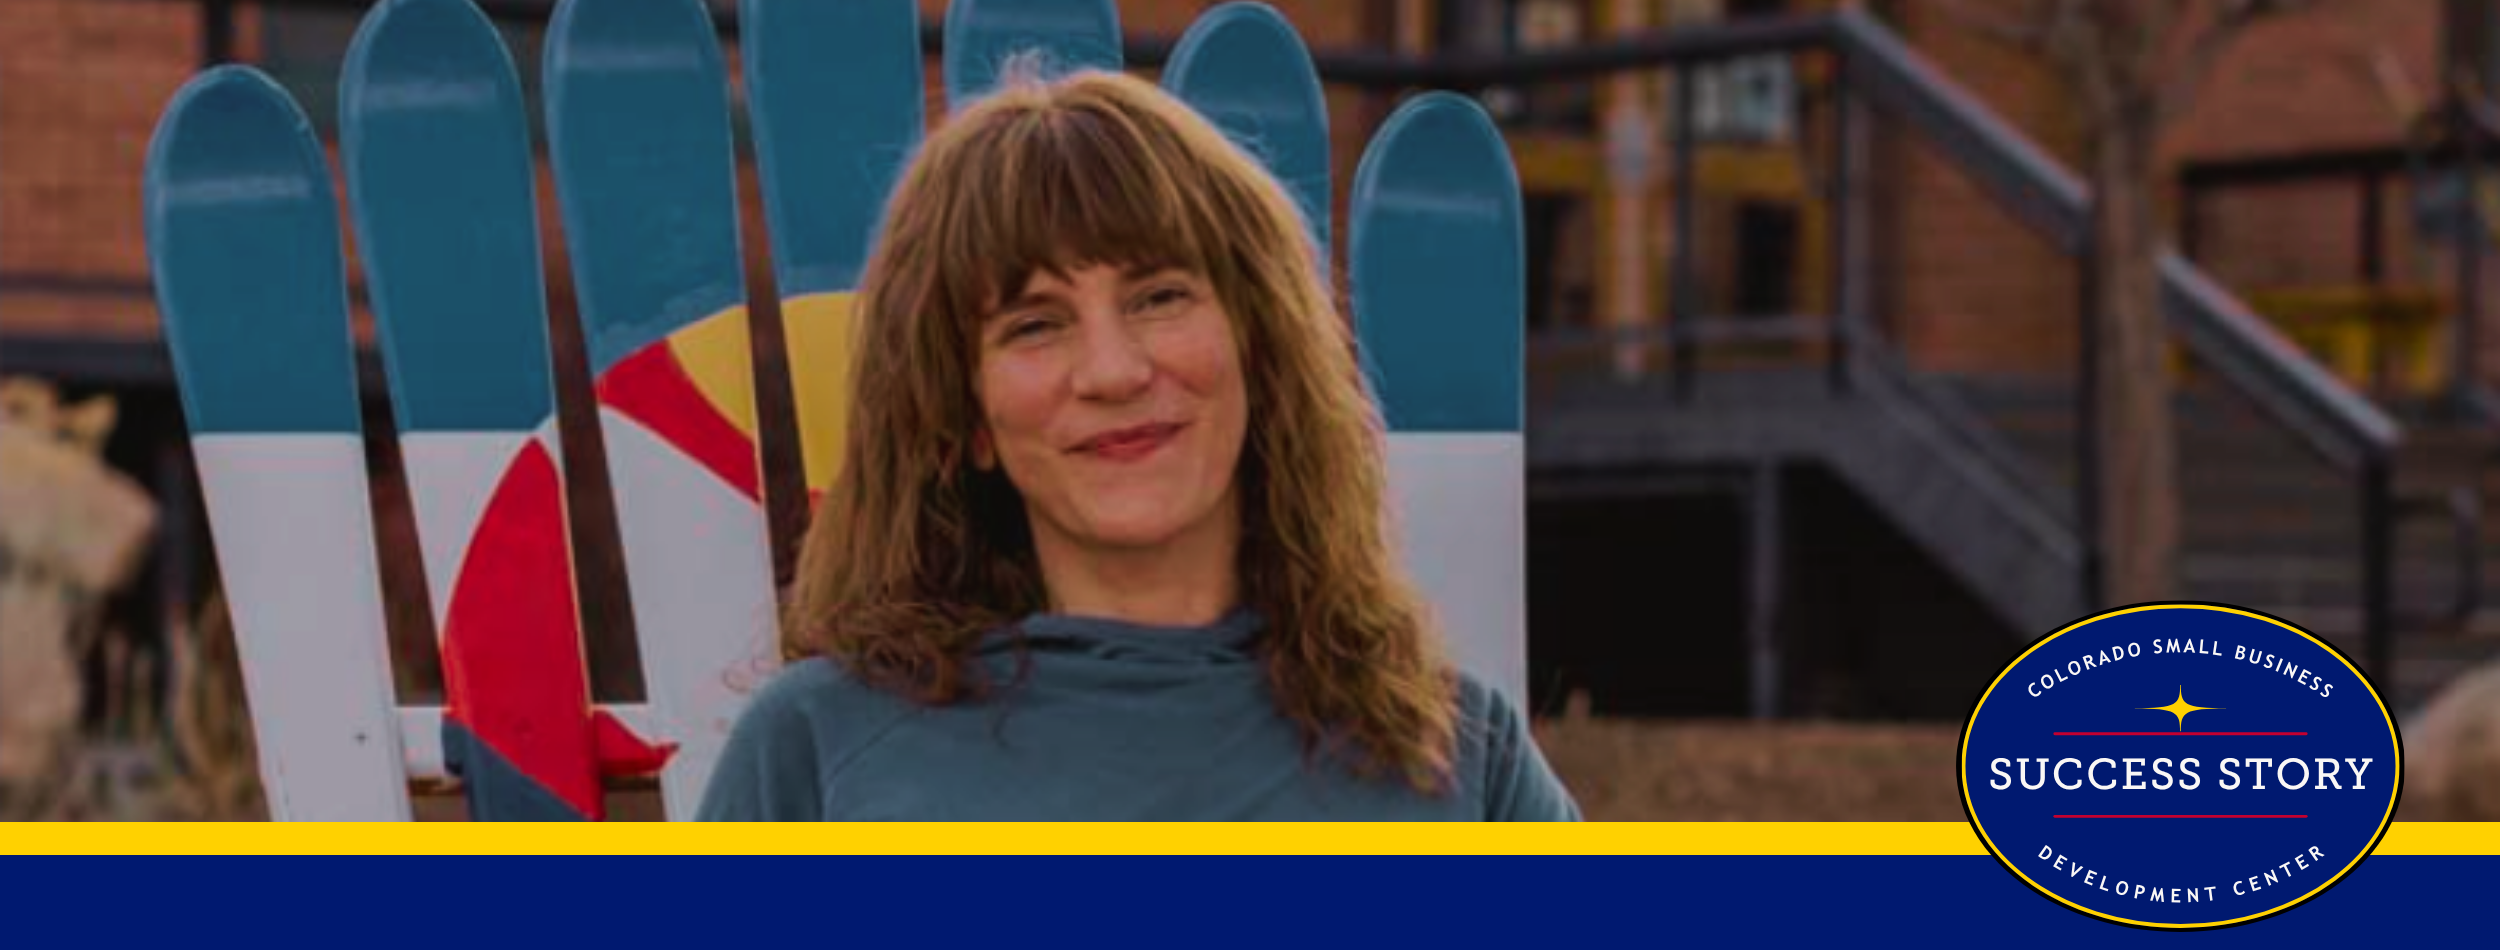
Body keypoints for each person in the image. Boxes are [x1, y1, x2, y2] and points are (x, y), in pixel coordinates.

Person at [697, 66, 1578, 820]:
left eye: (1159, 298)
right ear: (965, 420)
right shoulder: (818, 750)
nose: (1113, 372)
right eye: (1035, 325)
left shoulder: (1455, 751)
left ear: (1259, 349)